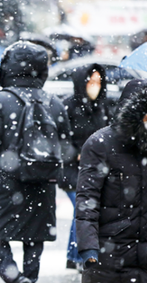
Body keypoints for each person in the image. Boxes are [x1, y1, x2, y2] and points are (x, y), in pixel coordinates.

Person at [0, 41, 71, 283]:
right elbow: (66, 143)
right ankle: (30, 277)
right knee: (35, 236)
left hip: (5, 180)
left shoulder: (1, 100)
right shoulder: (54, 102)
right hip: (42, 180)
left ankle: (15, 278)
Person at [76, 79, 147, 282]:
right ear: (135, 110)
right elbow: (87, 200)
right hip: (111, 253)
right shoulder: (100, 144)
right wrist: (89, 247)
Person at [61, 64, 110, 271]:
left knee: (85, 211)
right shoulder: (69, 107)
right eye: (91, 82)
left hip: (95, 170)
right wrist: (76, 153)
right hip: (74, 170)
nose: (95, 86)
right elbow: (60, 139)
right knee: (82, 210)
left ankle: (74, 255)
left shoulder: (102, 106)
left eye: (99, 82)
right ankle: (79, 256)